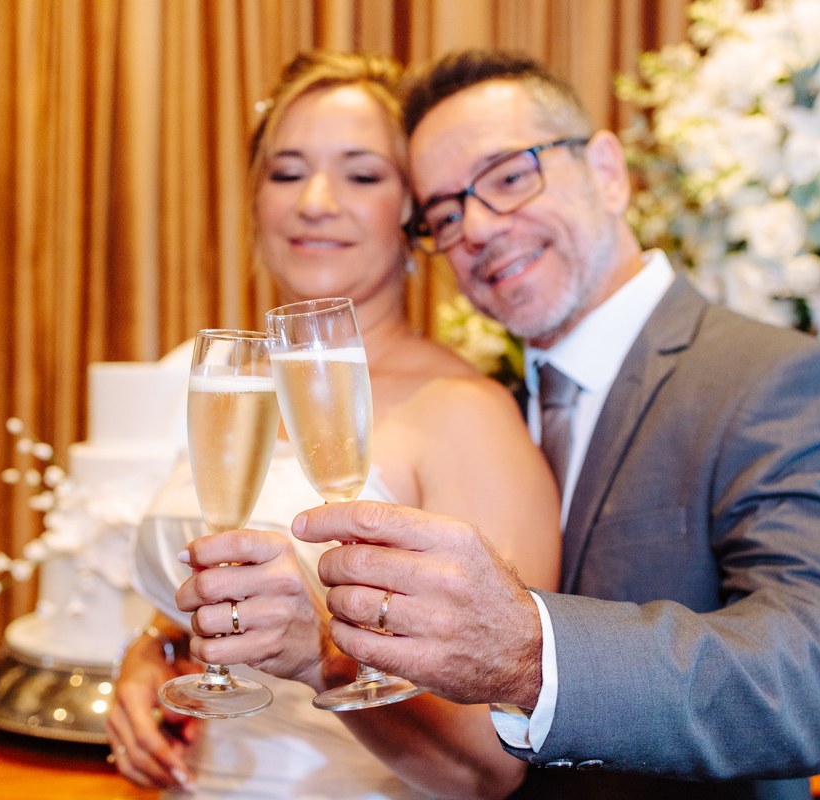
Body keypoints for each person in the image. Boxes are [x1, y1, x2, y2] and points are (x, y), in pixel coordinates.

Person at [292, 50, 820, 799]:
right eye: (444, 214)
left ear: (608, 170)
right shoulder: (488, 401)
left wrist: (532, 653)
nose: (476, 227)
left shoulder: (776, 380)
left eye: (511, 177)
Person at [105, 51, 562, 800]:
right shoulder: (228, 390)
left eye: (361, 174)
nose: (316, 201)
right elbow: (191, 595)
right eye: (287, 172)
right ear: (256, 200)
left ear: (413, 213)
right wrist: (149, 655)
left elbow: (494, 766)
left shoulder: (467, 414)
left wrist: (326, 657)